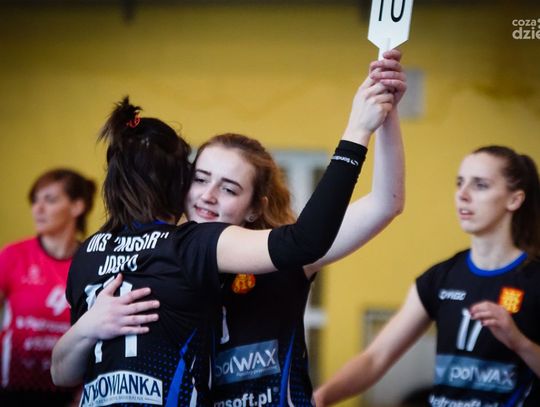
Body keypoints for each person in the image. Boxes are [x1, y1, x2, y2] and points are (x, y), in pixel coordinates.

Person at [51, 66, 393, 407]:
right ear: (180, 185)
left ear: (254, 208)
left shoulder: (274, 256)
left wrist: (380, 117)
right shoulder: (170, 253)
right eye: (200, 179)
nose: (208, 195)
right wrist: (87, 326)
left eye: (229, 189)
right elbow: (65, 372)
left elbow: (383, 204)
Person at [314, 145, 540, 406]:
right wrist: (321, 397)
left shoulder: (534, 279)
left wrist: (518, 342)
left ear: (514, 199)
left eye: (480, 185)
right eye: (459, 183)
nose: (463, 195)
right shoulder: (441, 277)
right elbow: (375, 358)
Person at [0, 168, 96, 405]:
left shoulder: (91, 262)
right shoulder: (13, 256)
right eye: (35, 201)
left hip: (70, 394)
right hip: (12, 392)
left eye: (50, 200)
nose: (38, 209)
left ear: (77, 206)